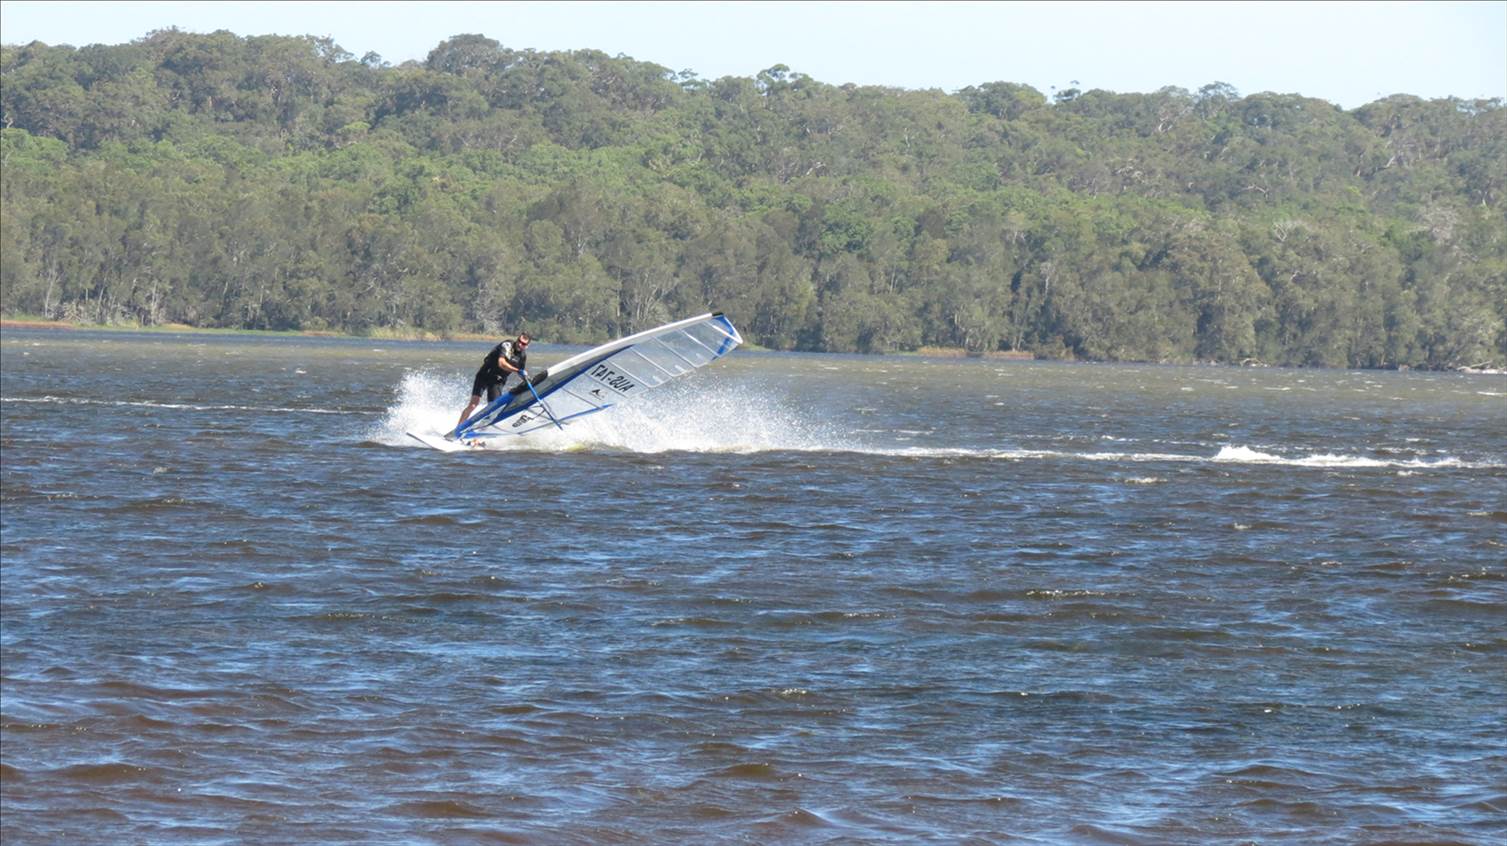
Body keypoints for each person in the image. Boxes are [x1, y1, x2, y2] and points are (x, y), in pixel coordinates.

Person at [456, 332, 532, 427]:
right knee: (473, 405)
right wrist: (517, 370)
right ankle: (457, 428)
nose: (520, 344)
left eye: (523, 344)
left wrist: (527, 380)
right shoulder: (508, 345)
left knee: (494, 409)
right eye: (519, 341)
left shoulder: (522, 356)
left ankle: (479, 429)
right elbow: (501, 363)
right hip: (485, 374)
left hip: (497, 381)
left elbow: (521, 372)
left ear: (527, 346)